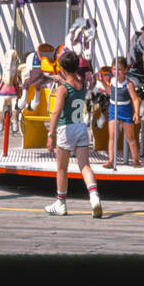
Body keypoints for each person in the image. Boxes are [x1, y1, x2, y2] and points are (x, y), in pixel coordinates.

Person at [45, 51, 103, 217]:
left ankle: (61, 203)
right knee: (84, 166)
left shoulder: (63, 89)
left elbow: (56, 112)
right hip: (80, 127)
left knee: (62, 168)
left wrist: (50, 134)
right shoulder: (82, 84)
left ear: (62, 69)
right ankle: (94, 197)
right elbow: (72, 82)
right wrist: (62, 79)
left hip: (65, 129)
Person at [105, 56, 141, 169]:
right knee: (112, 136)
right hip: (113, 109)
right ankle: (111, 160)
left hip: (125, 110)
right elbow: (108, 90)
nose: (117, 72)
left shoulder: (129, 84)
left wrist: (136, 113)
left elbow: (135, 99)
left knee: (130, 137)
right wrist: (102, 82)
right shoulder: (111, 80)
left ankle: (136, 160)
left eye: (119, 69)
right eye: (114, 69)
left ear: (125, 70)